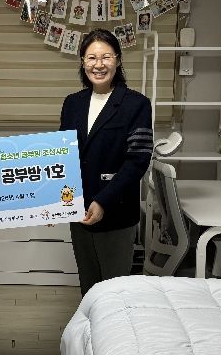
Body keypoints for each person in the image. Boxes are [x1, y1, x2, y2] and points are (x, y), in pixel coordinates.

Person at [59, 29, 152, 296]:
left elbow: (137, 161)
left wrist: (102, 201)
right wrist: (53, 203)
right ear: (82, 62)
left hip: (116, 212)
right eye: (91, 58)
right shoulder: (72, 103)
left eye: (106, 57)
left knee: (114, 292)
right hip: (78, 211)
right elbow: (63, 155)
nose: (98, 65)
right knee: (88, 288)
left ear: (118, 60)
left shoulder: (137, 104)